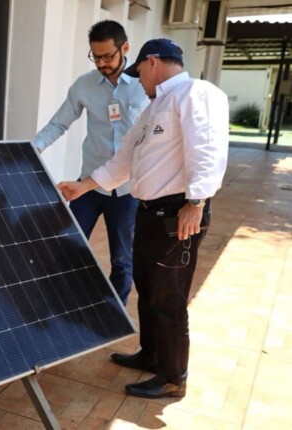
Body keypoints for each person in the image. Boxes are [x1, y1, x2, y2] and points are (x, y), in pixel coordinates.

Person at [57, 38, 229, 399]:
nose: (139, 80)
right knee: (148, 289)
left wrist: (196, 201)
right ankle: (151, 356)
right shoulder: (155, 107)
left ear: (152, 62)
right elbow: (123, 161)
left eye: (140, 73)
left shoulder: (195, 93)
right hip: (150, 214)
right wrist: (84, 186)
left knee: (169, 298)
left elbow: (207, 147)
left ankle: (172, 377)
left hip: (178, 213)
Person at [33, 20, 148, 305]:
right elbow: (59, 123)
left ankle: (113, 315)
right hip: (88, 186)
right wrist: (33, 148)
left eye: (108, 56)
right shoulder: (84, 86)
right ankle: (60, 307)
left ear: (125, 48)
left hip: (128, 191)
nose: (102, 63)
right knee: (68, 247)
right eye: (95, 56)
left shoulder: (144, 86)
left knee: (122, 259)